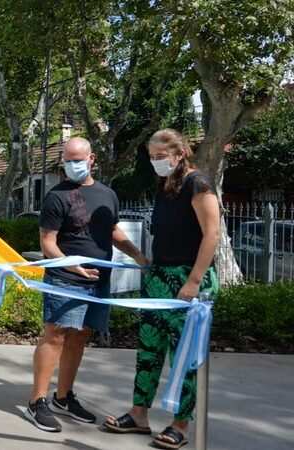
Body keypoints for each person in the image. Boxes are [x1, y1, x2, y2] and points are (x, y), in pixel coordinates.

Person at [104, 129, 219, 449]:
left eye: (160, 156)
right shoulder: (165, 186)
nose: (155, 162)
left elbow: (211, 234)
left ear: (180, 153)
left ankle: (180, 424)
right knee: (149, 349)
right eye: (152, 157)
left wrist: (194, 281)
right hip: (159, 275)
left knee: (184, 355)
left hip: (189, 278)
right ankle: (138, 414)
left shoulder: (199, 184)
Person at [26, 137, 149, 433]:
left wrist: (139, 256)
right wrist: (73, 265)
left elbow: (112, 230)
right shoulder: (56, 197)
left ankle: (64, 397)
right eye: (68, 160)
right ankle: (37, 401)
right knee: (55, 335)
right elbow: (47, 243)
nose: (72, 165)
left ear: (92, 159)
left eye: (78, 159)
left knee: (80, 336)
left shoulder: (107, 194)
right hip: (65, 279)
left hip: (97, 281)